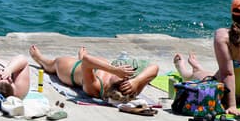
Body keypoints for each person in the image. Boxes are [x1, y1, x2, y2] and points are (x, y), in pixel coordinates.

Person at [28, 44, 159, 103]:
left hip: (71, 71)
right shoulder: (132, 88)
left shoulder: (95, 87)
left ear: (112, 86)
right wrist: (136, 81)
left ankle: (40, 59)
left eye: (121, 79)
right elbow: (155, 68)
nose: (124, 77)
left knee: (53, 64)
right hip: (90, 65)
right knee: (88, 63)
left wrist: (115, 70)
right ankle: (84, 64)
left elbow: (86, 61)